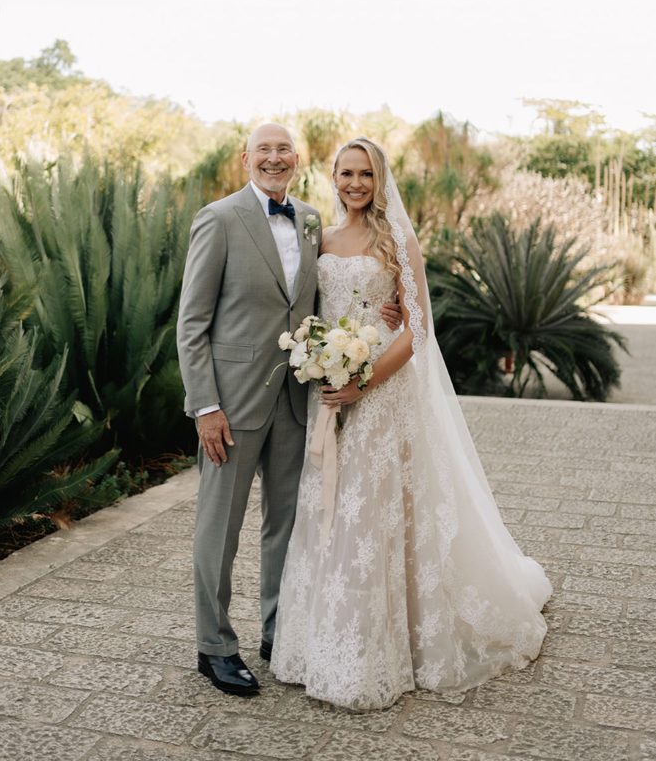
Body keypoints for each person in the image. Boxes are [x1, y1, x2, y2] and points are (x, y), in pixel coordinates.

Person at [270, 137, 553, 711]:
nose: (355, 183)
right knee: (330, 512)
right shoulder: (320, 239)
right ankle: (319, 642)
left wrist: (362, 380)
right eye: (346, 173)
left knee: (375, 513)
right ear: (332, 176)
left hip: (380, 395)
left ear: (380, 180)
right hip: (330, 397)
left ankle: (382, 650)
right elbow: (310, 314)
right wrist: (321, 361)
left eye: (366, 174)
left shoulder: (396, 239)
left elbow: (416, 331)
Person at [177, 123, 400, 697]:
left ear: (297, 161)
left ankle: (279, 632)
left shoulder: (308, 221)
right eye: (265, 150)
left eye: (284, 150)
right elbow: (192, 324)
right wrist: (205, 406)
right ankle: (215, 646)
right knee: (218, 528)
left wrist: (378, 331)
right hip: (231, 404)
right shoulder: (219, 218)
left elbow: (328, 304)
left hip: (299, 403)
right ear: (246, 158)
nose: (275, 158)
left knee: (287, 524)